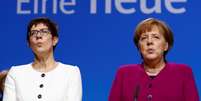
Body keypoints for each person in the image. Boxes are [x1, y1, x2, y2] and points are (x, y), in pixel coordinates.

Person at [109, 18, 199, 101]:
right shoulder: (124, 74)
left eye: (156, 37)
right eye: (144, 38)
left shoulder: (183, 73)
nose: (149, 42)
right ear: (139, 47)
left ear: (166, 46)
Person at [3, 17, 82, 101]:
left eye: (44, 31)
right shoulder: (15, 73)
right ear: (28, 43)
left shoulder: (71, 72)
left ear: (54, 40)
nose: (38, 36)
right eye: (33, 33)